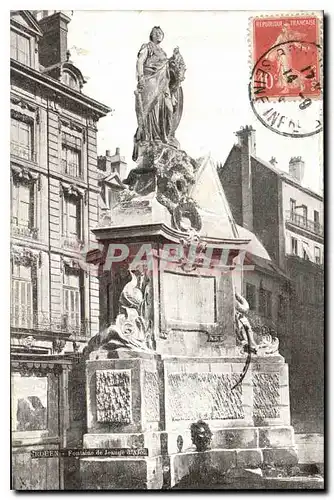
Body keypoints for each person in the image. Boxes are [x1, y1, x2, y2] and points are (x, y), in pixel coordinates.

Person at [132, 27, 185, 161]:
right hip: (151, 81)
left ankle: (166, 135)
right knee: (152, 110)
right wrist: (141, 77)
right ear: (152, 35)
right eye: (156, 33)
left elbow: (171, 69)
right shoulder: (147, 47)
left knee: (168, 108)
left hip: (163, 84)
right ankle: (152, 137)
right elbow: (140, 62)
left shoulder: (163, 53)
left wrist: (175, 58)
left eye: (161, 33)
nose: (159, 35)